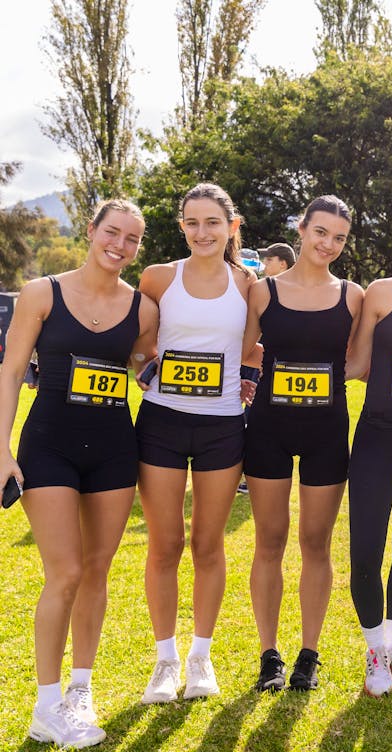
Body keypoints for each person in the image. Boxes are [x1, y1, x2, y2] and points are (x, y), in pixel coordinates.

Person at [0, 198, 158, 747]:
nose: (120, 245)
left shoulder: (143, 308)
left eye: (132, 239)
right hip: (48, 447)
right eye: (112, 232)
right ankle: (46, 707)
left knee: (96, 570)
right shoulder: (42, 293)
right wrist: (1, 449)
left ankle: (80, 689)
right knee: (63, 573)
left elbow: (142, 366)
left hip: (115, 449)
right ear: (91, 232)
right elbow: (13, 369)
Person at [135, 182, 257, 704]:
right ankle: (165, 661)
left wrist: (249, 376)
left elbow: (253, 343)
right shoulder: (159, 277)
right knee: (165, 545)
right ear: (181, 226)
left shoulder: (247, 283)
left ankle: (200, 658)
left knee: (209, 545)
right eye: (191, 222)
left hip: (222, 426)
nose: (201, 232)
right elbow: (140, 342)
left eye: (212, 222)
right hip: (161, 421)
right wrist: (147, 366)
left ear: (231, 227)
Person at [242, 194, 363, 692]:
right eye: (321, 233)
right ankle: (269, 655)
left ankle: (308, 655)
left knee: (316, 542)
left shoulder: (353, 296)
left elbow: (358, 363)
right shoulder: (262, 291)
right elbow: (245, 349)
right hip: (268, 428)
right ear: (302, 228)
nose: (328, 244)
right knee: (269, 540)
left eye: (338, 238)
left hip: (326, 432)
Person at [346, 275, 392, 697]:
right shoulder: (382, 292)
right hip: (378, 435)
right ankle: (374, 649)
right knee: (365, 550)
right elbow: (357, 364)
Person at [237, 242, 296, 495]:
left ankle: (252, 477)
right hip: (255, 360)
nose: (265, 265)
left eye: (269, 260)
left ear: (282, 263)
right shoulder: (261, 290)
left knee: (258, 418)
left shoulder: (290, 293)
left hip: (271, 367)